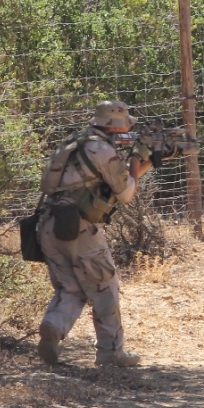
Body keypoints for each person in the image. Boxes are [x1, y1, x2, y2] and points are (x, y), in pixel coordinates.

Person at [36, 101, 153, 367]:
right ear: (113, 124)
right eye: (126, 123)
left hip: (49, 224)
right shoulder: (103, 150)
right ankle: (111, 354)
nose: (129, 127)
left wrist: (146, 161)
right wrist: (136, 158)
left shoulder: (74, 142)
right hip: (80, 229)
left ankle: (53, 326)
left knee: (71, 287)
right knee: (104, 288)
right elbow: (125, 193)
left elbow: (112, 183)